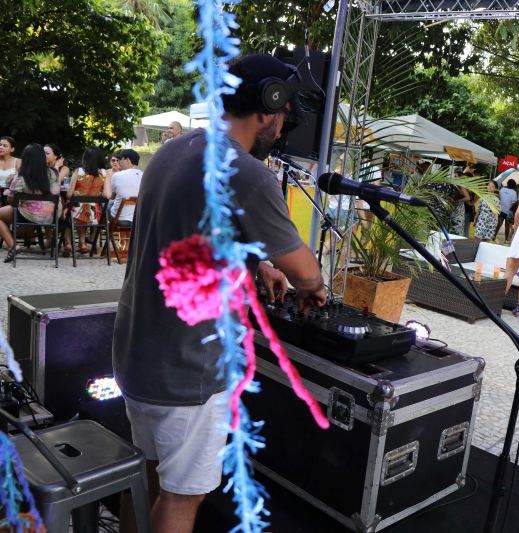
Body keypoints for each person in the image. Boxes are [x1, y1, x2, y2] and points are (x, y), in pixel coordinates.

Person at [112, 53, 326, 533]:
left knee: (142, 476)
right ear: (269, 106)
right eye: (285, 111)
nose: (285, 123)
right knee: (181, 497)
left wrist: (260, 264)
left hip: (137, 354)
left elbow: (192, 232)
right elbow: (308, 274)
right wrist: (309, 282)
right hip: (189, 369)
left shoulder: (174, 150)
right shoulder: (248, 173)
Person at [0, 144, 59, 262]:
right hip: (49, 216)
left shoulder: (22, 176)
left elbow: (12, 198)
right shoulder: (53, 173)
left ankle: (13, 246)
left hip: (26, 216)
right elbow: (56, 192)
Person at [65, 147, 107, 255]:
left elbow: (69, 194)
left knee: (66, 213)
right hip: (95, 216)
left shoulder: (79, 172)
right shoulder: (104, 173)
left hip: (76, 214)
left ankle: (68, 243)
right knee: (81, 212)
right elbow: (107, 194)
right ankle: (82, 244)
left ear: (85, 158)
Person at [103, 149, 142, 226]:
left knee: (106, 204)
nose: (119, 162)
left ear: (127, 160)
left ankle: (102, 231)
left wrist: (107, 177)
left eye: (120, 159)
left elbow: (111, 197)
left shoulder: (117, 175)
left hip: (119, 219)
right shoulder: (145, 176)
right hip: (139, 219)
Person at [495, 178, 516, 243]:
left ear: (507, 184)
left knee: (498, 224)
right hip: (508, 212)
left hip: (501, 210)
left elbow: (499, 198)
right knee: (507, 226)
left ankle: (493, 236)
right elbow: (513, 203)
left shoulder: (502, 190)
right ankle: (506, 240)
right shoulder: (514, 192)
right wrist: (512, 213)